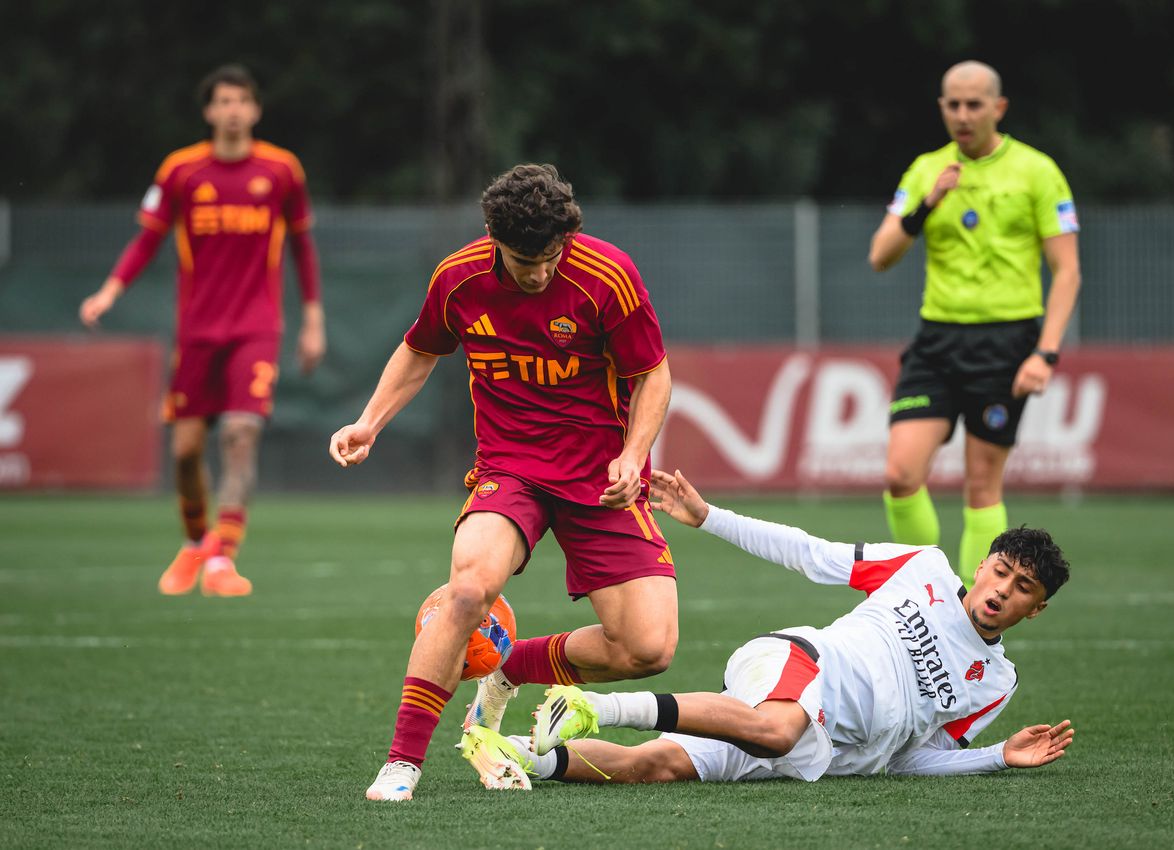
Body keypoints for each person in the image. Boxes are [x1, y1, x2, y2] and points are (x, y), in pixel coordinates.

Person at [329, 163, 676, 802]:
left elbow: (653, 374)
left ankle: (508, 667)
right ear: (493, 235)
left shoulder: (608, 276)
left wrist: (633, 455)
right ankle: (402, 763)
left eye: (551, 256)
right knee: (467, 591)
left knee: (646, 649)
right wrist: (369, 422)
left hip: (602, 479)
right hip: (509, 468)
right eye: (524, 260)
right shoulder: (458, 278)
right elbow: (421, 348)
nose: (540, 272)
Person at [456, 468, 1072, 789]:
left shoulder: (995, 683)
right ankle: (597, 704)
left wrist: (996, 756)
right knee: (775, 728)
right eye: (1000, 571)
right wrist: (708, 517)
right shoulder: (923, 568)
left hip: (823, 752)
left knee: (655, 768)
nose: (1001, 591)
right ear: (982, 563)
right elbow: (810, 553)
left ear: (1035, 609)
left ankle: (515, 757)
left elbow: (913, 761)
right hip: (804, 667)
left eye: (1023, 589)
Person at [79, 64, 325, 597]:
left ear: (255, 110)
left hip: (257, 328)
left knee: (241, 435)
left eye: (242, 101)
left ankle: (223, 561)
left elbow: (303, 247)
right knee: (186, 451)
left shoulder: (282, 171)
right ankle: (195, 546)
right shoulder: (181, 171)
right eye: (224, 101)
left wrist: (312, 318)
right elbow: (146, 240)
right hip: (196, 332)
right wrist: (109, 291)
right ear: (209, 111)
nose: (233, 110)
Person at [867, 60, 1082, 586]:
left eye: (974, 104)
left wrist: (1045, 351)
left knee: (981, 485)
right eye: (953, 105)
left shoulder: (1036, 171)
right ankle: (920, 593)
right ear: (941, 108)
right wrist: (927, 203)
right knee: (900, 475)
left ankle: (971, 621)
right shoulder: (926, 170)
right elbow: (880, 255)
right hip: (938, 340)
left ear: (998, 108)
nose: (963, 115)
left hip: (1007, 343)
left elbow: (1068, 270)